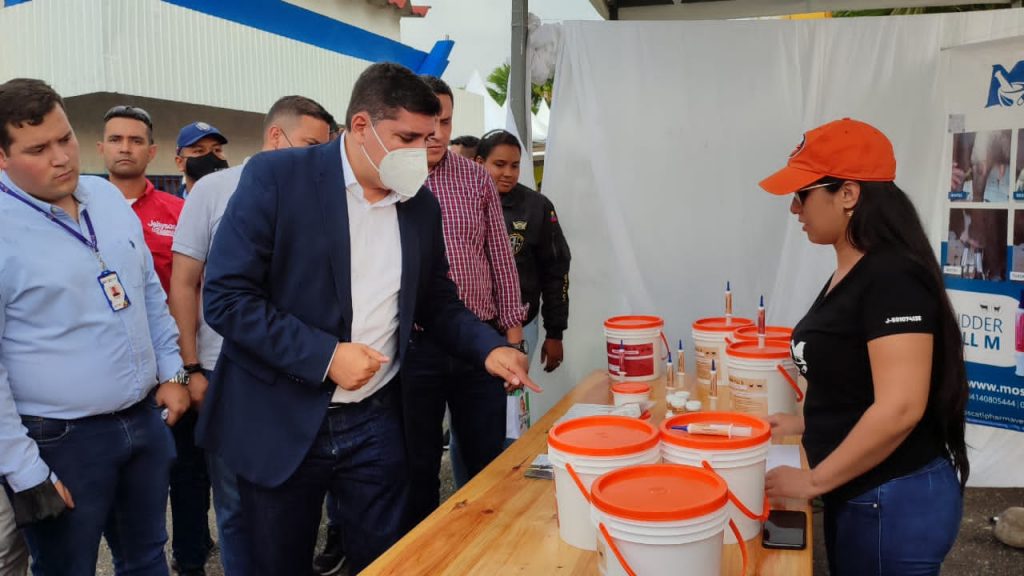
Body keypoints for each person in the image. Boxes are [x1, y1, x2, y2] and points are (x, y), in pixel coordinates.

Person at [195, 62, 536, 575]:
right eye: (407, 138)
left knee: (385, 559)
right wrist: (325, 356)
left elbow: (436, 301)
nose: (421, 151)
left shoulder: (419, 205)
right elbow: (226, 297)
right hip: (282, 416)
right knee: (277, 561)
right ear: (361, 126)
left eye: (429, 136)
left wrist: (488, 346)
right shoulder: (278, 179)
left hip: (376, 417)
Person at [759, 118, 969, 576]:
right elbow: (858, 378)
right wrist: (805, 421)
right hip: (864, 494)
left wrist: (813, 481)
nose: (794, 208)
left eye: (802, 194)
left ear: (848, 194)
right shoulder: (854, 271)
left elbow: (900, 407)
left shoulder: (892, 277)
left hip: (892, 499)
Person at [0, 78, 190, 574]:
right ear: (2, 157)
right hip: (59, 441)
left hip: (143, 420)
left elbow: (146, 291)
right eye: (38, 149)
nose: (61, 157)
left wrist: (172, 370)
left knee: (148, 558)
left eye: (65, 138)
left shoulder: (105, 198)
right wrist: (24, 470)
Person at [170, 95, 333, 576]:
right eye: (311, 144)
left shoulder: (324, 193)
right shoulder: (215, 189)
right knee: (236, 502)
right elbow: (185, 282)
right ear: (276, 136)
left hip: (297, 366)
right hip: (227, 368)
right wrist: (191, 368)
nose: (320, 157)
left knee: (294, 499)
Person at [402, 76, 526, 527]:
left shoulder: (475, 178)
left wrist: (512, 338)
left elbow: (500, 258)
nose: (436, 133)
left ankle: (482, 540)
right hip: (416, 346)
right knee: (416, 464)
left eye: (446, 121)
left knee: (485, 458)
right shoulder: (393, 179)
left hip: (480, 345)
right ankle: (423, 548)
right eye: (427, 122)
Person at [475, 129, 571, 373]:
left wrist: (555, 332)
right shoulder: (462, 205)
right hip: (473, 326)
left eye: (515, 166)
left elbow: (556, 270)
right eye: (499, 165)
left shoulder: (536, 207)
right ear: (479, 163)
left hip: (522, 325)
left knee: (515, 392)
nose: (508, 173)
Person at [97, 105, 183, 296]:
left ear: (151, 152)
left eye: (136, 141)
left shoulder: (181, 212)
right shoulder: (78, 211)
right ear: (101, 148)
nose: (125, 149)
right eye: (115, 140)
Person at [174, 122, 228, 197]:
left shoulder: (241, 202)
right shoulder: (170, 204)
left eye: (217, 150)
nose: (211, 157)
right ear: (180, 162)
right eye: (199, 151)